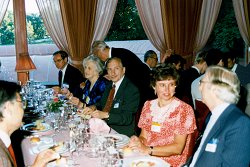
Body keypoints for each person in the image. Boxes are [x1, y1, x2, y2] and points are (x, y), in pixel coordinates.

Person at [128, 64, 197, 167]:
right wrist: (139, 141)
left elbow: (178, 148)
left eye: (171, 84)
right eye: (162, 85)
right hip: (148, 156)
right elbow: (144, 136)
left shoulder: (184, 110)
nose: (167, 90)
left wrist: (148, 150)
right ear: (154, 86)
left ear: (175, 86)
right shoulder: (148, 106)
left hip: (172, 162)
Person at [187, 66, 250, 167]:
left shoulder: (240, 123)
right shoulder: (212, 115)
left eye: (201, 82)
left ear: (215, 89)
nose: (199, 87)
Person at [0, 80, 59, 167]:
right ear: (8, 109)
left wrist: (37, 164)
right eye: (21, 103)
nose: (23, 109)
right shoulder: (1, 159)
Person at [83, 57, 140, 137]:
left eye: (116, 68)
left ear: (123, 70)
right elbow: (102, 103)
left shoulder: (131, 89)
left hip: (121, 133)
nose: (113, 72)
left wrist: (105, 115)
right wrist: (93, 107)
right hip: (103, 128)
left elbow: (127, 118)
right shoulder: (110, 85)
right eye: (109, 69)